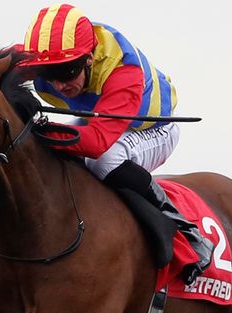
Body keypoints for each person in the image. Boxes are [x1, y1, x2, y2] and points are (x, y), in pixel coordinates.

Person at [18, 4, 213, 284]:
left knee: (103, 161)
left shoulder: (124, 72)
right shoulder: (46, 55)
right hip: (99, 118)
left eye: (67, 72)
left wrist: (40, 131)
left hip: (154, 129)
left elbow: (97, 143)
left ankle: (187, 233)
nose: (59, 85)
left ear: (89, 59)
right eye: (49, 73)